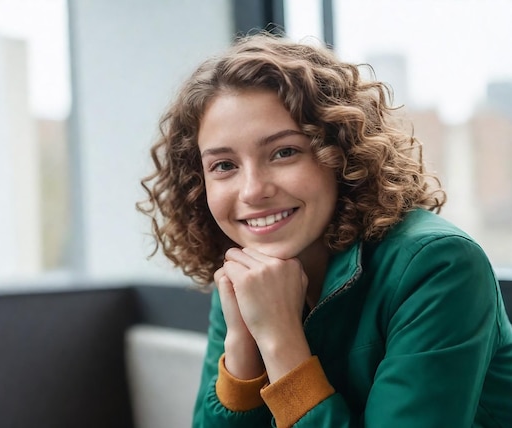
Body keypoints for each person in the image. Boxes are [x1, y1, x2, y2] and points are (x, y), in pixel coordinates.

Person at [137, 33, 512, 427]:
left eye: (284, 152)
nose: (252, 190)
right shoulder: (247, 272)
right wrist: (243, 354)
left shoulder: (438, 265)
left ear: (342, 155)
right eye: (224, 166)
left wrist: (281, 340)